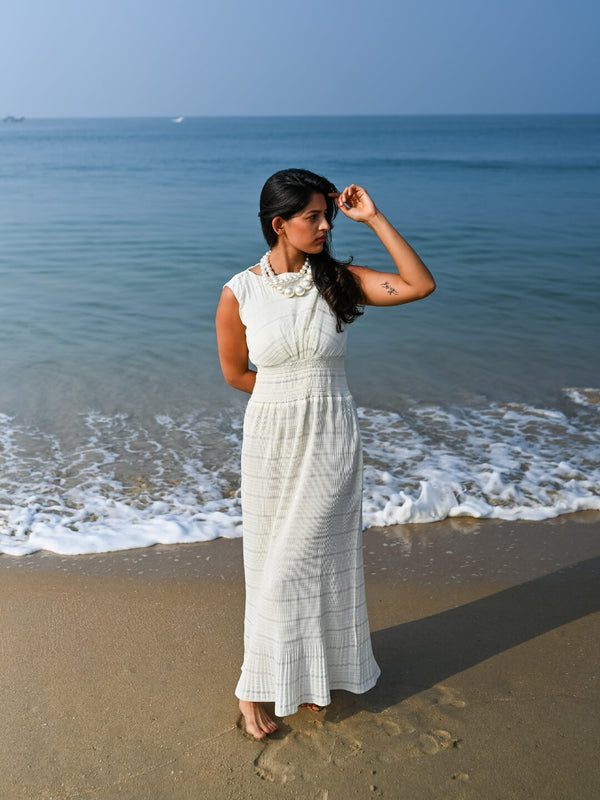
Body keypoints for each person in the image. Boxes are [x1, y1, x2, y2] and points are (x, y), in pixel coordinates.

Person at [215, 168, 435, 739]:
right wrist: (284, 396)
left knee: (308, 559)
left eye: (327, 215)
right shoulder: (240, 291)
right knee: (272, 563)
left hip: (331, 437)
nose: (325, 226)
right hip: (270, 440)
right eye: (312, 216)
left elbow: (418, 285)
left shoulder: (338, 280)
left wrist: (374, 218)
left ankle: (253, 688)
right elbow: (236, 373)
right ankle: (306, 677)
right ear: (279, 224)